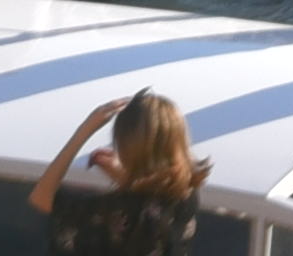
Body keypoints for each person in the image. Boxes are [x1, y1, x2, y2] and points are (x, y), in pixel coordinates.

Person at [32, 86, 210, 256]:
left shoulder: (111, 211)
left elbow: (42, 197)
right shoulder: (186, 197)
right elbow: (151, 200)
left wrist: (85, 130)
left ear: (125, 147)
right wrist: (127, 178)